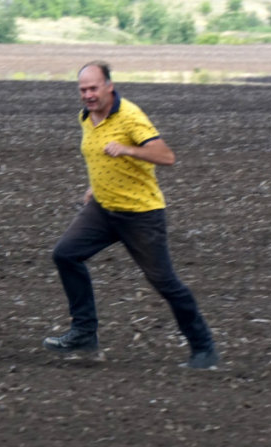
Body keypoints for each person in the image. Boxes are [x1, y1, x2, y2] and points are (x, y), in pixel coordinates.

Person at [43, 61, 220, 369]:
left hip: (141, 215)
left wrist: (128, 150)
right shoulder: (86, 117)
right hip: (102, 209)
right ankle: (84, 332)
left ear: (109, 86)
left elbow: (166, 156)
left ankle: (203, 347)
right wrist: (94, 186)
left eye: (93, 88)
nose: (88, 95)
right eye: (83, 89)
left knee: (164, 282)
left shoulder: (130, 116)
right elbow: (99, 156)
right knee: (66, 255)